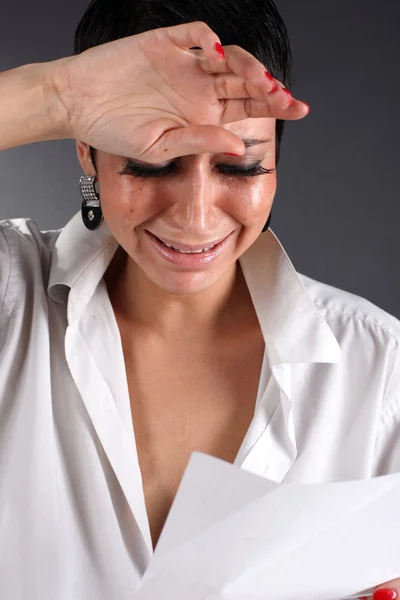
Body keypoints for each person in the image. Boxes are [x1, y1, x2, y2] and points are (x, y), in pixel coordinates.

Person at [0, 0, 399, 598]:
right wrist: (56, 96)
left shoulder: (383, 371)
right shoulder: (11, 302)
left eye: (241, 167)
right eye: (153, 162)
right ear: (87, 149)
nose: (194, 216)